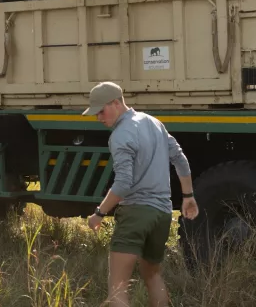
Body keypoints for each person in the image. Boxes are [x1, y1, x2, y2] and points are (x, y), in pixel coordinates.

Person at [83, 82, 199, 307]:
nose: (99, 118)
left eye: (101, 111)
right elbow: (180, 159)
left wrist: (99, 212)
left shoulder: (120, 135)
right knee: (153, 276)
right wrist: (188, 196)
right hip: (163, 214)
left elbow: (124, 183)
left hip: (136, 213)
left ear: (116, 103)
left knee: (117, 287)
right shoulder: (155, 123)